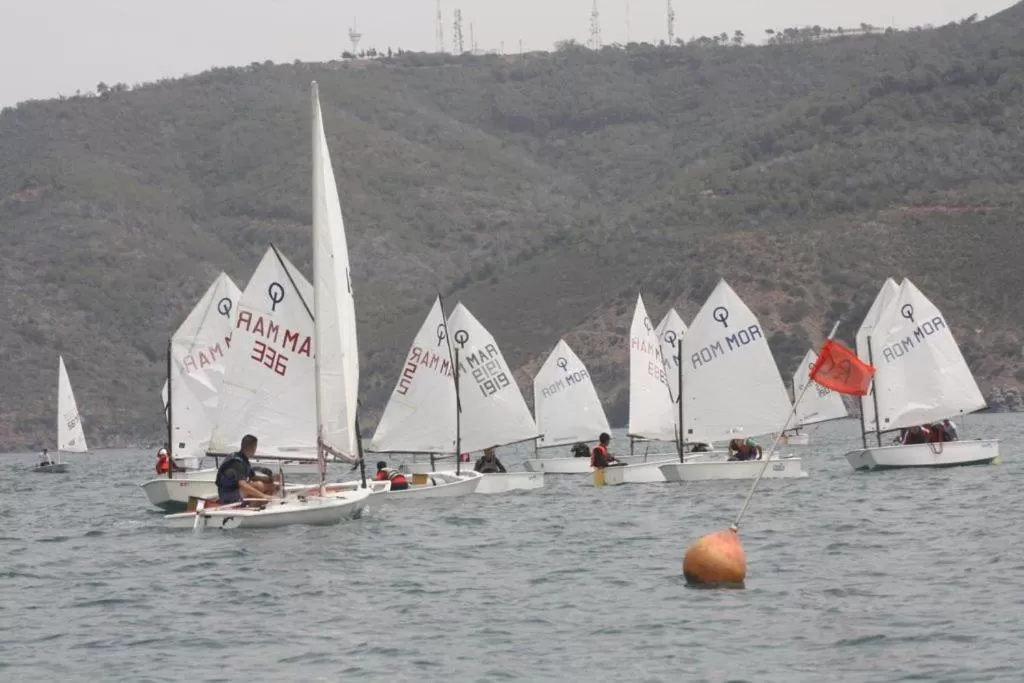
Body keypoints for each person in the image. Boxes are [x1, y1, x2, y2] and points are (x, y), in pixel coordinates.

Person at [215, 434, 275, 505]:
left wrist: (270, 479)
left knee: (268, 486)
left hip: (236, 491)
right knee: (259, 485)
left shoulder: (243, 459)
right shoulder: (237, 463)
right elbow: (243, 485)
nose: (255, 450)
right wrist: (264, 496)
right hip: (227, 495)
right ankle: (253, 504)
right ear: (252, 447)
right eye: (255, 447)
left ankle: (256, 501)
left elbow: (253, 477)